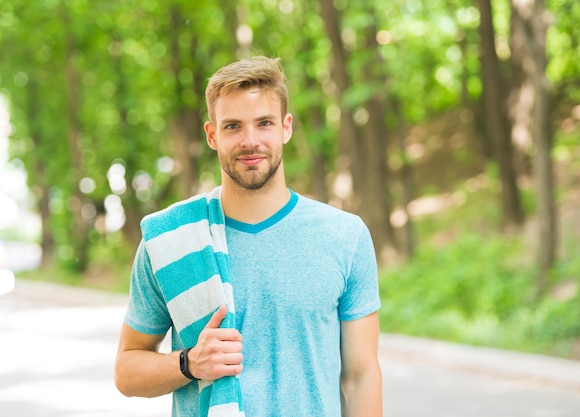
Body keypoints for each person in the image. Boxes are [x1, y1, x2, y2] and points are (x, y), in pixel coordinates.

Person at [114, 56, 382, 417]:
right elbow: (127, 371)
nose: (250, 140)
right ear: (212, 135)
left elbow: (360, 377)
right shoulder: (170, 240)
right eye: (233, 126)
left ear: (286, 128)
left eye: (264, 123)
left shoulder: (344, 236)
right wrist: (189, 363)